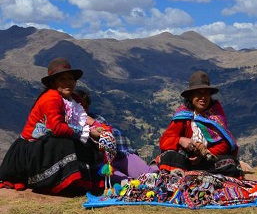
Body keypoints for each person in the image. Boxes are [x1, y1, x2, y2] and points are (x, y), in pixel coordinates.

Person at [0, 57, 108, 194]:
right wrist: (86, 132)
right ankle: (62, 182)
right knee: (65, 142)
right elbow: (56, 128)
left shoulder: (74, 99)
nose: (68, 83)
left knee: (87, 143)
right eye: (62, 79)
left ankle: (86, 180)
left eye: (71, 79)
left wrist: (97, 129)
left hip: (48, 143)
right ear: (53, 82)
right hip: (32, 148)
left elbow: (82, 121)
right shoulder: (50, 98)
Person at [156, 70, 243, 178]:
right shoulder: (183, 117)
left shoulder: (216, 116)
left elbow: (224, 144)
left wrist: (204, 153)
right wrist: (180, 140)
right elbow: (164, 141)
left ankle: (192, 175)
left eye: (206, 93)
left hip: (206, 161)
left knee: (230, 163)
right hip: (184, 160)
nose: (203, 97)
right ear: (191, 96)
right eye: (198, 93)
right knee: (169, 157)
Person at [74, 89, 158, 183]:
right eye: (80, 107)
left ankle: (158, 166)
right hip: (102, 163)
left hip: (120, 153)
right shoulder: (72, 125)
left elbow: (111, 133)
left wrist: (95, 124)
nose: (84, 110)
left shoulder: (96, 118)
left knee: (150, 177)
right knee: (127, 183)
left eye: (86, 107)